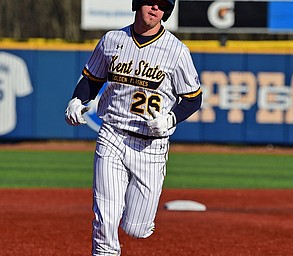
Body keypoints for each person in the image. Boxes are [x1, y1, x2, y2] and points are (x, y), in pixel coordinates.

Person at [65, 0, 202, 255]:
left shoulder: (176, 51)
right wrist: (77, 99)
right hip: (112, 134)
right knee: (105, 217)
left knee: (137, 228)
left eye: (162, 6)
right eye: (150, 2)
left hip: (151, 144)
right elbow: (91, 79)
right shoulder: (112, 40)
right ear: (137, 4)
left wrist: (170, 119)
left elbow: (193, 99)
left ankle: (137, 219)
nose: (154, 9)